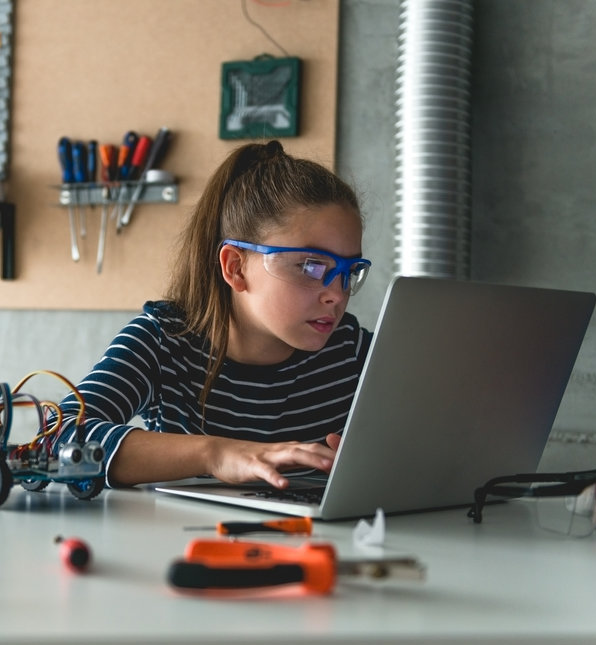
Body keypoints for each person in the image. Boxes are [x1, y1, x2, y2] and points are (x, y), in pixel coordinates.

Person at [51, 140, 373, 489]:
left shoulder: (353, 350)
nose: (338, 295)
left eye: (349, 270)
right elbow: (56, 437)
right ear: (236, 268)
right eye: (311, 266)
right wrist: (216, 453)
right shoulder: (164, 340)